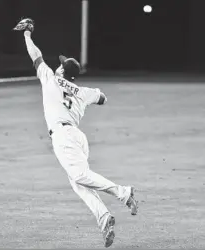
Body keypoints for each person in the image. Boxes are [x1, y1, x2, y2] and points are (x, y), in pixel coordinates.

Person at [13, 18, 138, 248]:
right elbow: (103, 98)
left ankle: (124, 193)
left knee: (80, 177)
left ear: (62, 69)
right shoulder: (82, 91)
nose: (58, 64)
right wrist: (84, 93)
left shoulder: (50, 78)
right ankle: (104, 218)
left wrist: (27, 35)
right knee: (78, 183)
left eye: (61, 63)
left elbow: (36, 55)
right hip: (78, 137)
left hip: (63, 137)